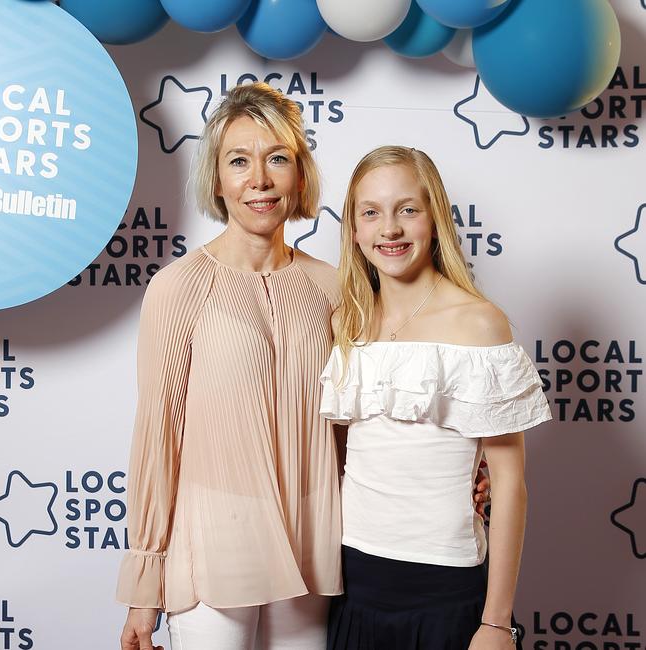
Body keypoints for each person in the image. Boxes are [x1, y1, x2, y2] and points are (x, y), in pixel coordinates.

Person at [117, 84, 490, 650]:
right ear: (217, 179)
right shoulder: (176, 288)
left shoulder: (335, 288)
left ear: (300, 174)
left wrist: (464, 468)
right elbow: (157, 439)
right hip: (214, 546)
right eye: (238, 161)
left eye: (277, 159)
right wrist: (144, 587)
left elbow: (363, 415)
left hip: (315, 545)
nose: (259, 180)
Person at [320, 146, 552, 650]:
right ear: (354, 230)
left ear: (435, 217)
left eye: (408, 209)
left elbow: (509, 484)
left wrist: (496, 622)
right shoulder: (347, 323)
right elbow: (340, 456)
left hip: (446, 586)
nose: (390, 230)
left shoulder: (478, 323)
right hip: (352, 582)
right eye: (371, 213)